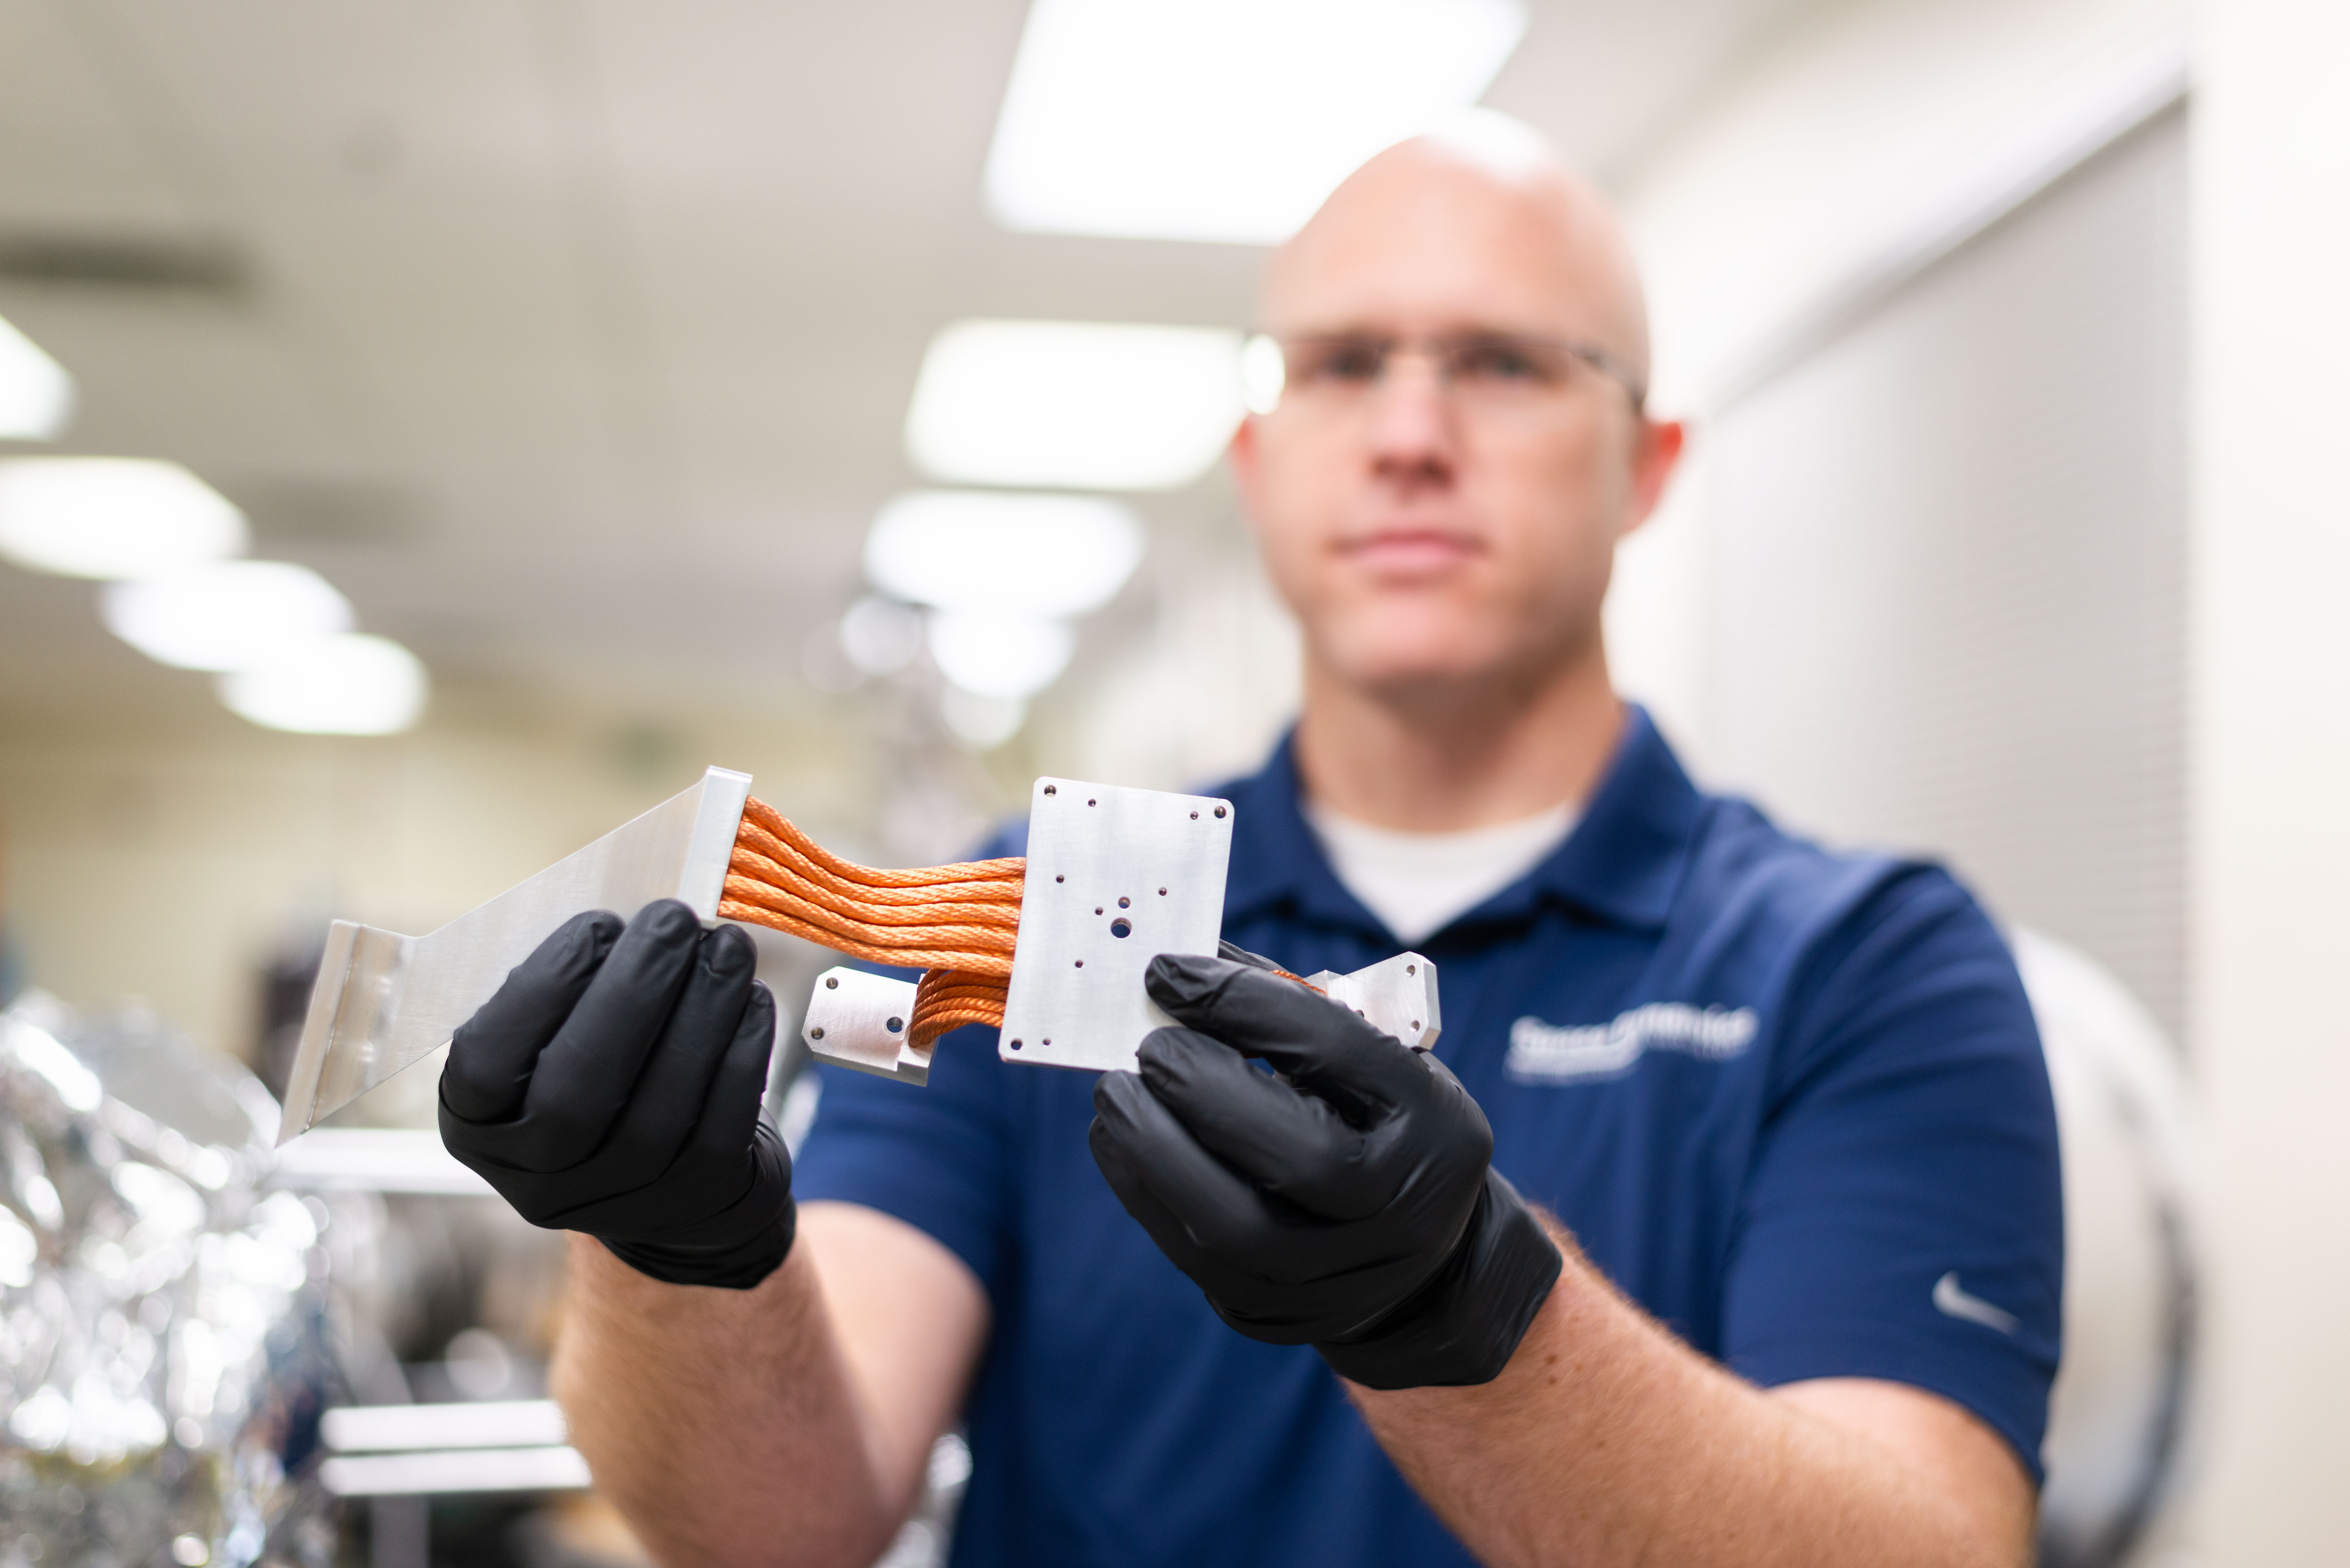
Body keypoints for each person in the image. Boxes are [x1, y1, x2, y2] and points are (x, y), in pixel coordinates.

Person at [439, 121, 2062, 1567]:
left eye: (1504, 362)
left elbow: (1926, 1543)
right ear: (1256, 460)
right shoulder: (1017, 913)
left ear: (1648, 466)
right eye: (1343, 363)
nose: (1409, 433)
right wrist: (668, 1246)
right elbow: (775, 1532)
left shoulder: (1864, 965)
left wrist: (1476, 1320)